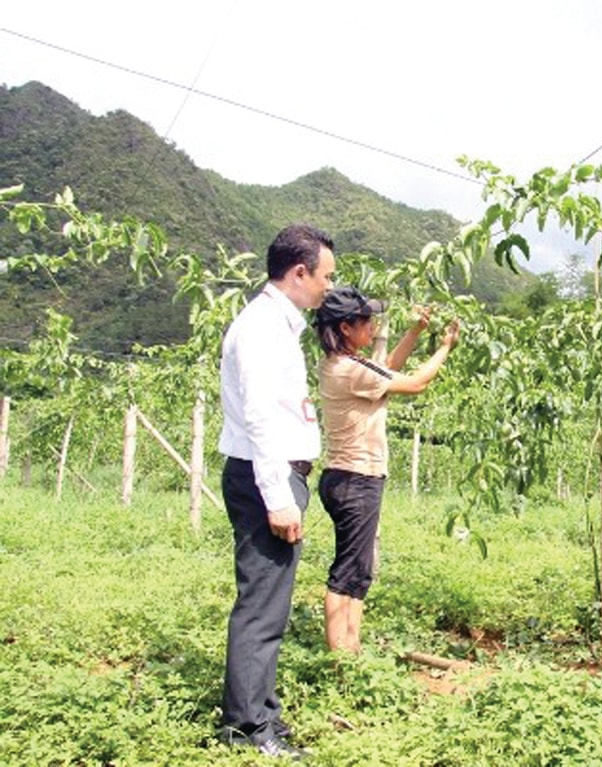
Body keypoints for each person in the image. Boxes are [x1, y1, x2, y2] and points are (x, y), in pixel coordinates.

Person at [216, 224, 335, 759]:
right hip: (266, 476)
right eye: (325, 277)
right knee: (263, 606)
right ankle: (246, 727)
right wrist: (279, 497)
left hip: (273, 473)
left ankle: (259, 712)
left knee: (269, 602)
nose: (328, 288)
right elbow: (262, 420)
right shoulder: (263, 329)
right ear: (299, 272)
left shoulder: (277, 325)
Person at [314, 287, 460, 653]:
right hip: (355, 478)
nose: (373, 326)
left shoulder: (346, 363)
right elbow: (415, 383)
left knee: (358, 570)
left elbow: (387, 370)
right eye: (367, 321)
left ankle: (352, 649)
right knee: (347, 572)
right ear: (346, 327)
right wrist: (444, 348)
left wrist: (415, 331)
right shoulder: (347, 369)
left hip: (350, 478)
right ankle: (340, 660)